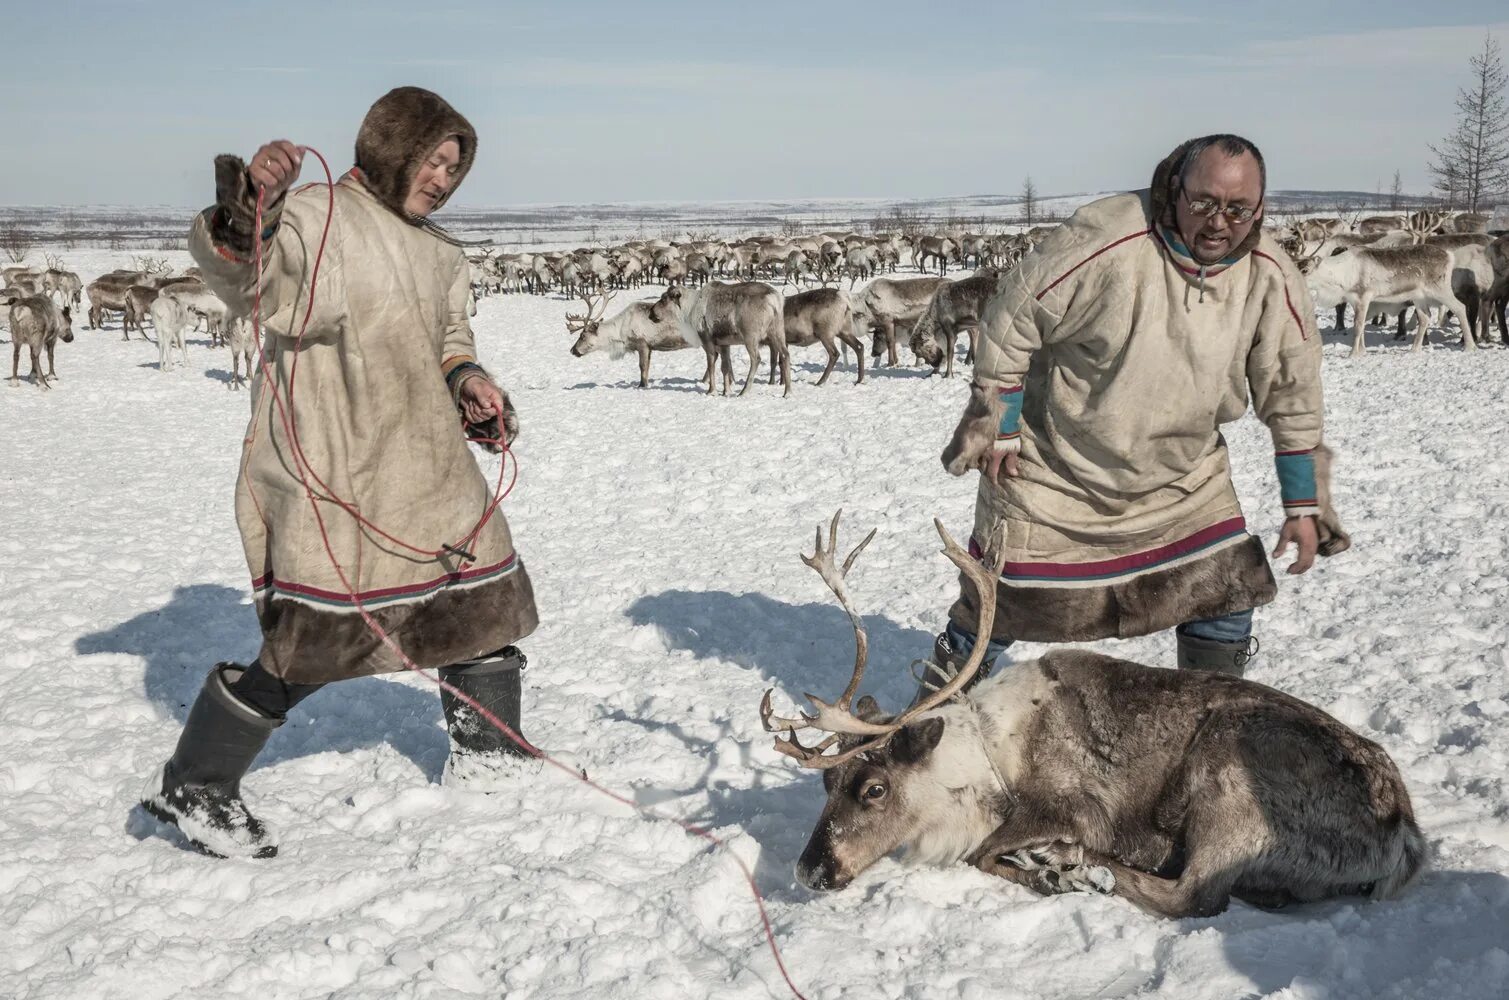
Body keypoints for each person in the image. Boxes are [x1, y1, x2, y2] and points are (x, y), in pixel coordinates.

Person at [140, 87, 539, 859]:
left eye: (456, 166)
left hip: (427, 465)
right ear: (393, 149)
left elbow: (449, 336)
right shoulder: (319, 218)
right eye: (432, 159)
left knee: (481, 603)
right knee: (320, 637)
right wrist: (251, 207)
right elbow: (252, 278)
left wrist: (469, 382)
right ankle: (194, 785)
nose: (443, 178)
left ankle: (492, 759)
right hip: (338, 467)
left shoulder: (441, 253)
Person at [930, 134, 1348, 696]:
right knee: (997, 601)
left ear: (1260, 208)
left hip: (1182, 481)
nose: (1219, 222)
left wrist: (1305, 502)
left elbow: (1293, 389)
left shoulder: (1269, 275)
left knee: (1225, 589)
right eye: (1203, 202)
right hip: (1056, 469)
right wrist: (998, 426)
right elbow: (1012, 317)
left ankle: (1205, 721)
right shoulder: (1105, 240)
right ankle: (929, 718)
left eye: (1238, 209)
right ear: (1175, 190)